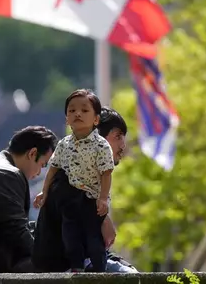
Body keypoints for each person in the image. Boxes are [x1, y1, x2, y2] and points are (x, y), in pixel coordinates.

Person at [32, 106, 137, 273]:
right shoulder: (66, 179)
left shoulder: (91, 180)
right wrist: (101, 218)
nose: (123, 145)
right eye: (117, 137)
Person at [0, 125, 59, 273]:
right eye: (42, 165)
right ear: (32, 154)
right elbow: (17, 232)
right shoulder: (7, 174)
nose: (39, 172)